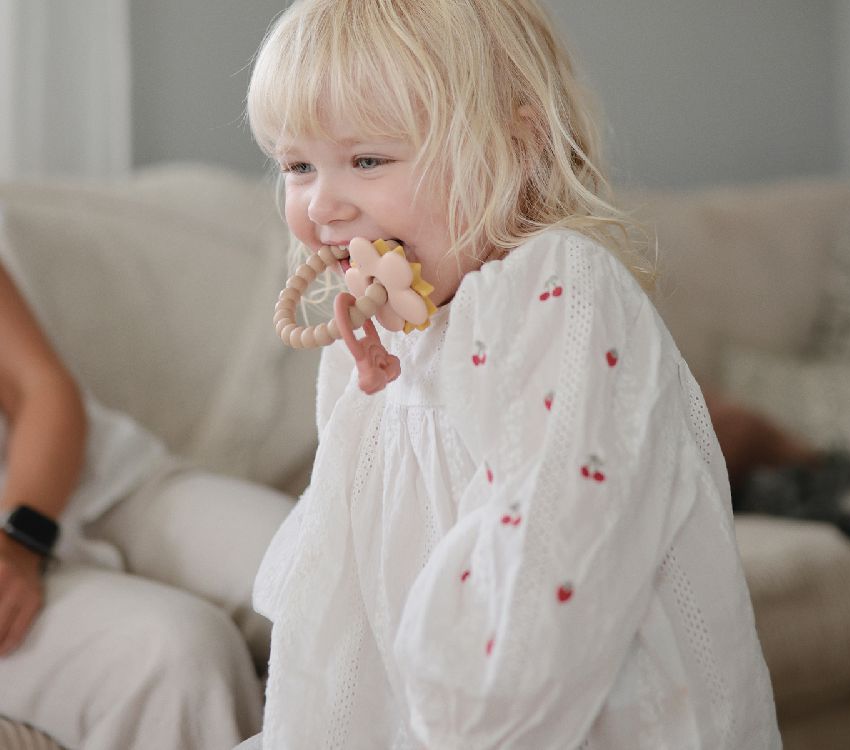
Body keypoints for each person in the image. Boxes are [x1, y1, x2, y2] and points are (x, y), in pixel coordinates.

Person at [240, 0, 782, 747]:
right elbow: (348, 577)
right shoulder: (367, 330)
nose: (321, 204)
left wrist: (460, 715)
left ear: (515, 147)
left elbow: (547, 569)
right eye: (297, 165)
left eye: (367, 159)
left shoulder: (559, 291)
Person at [0, 253, 294, 748]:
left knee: (319, 560)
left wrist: (20, 537)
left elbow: (40, 387)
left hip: (106, 484)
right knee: (179, 655)